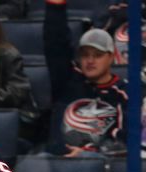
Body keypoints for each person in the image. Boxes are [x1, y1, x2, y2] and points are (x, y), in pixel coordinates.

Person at [43, 0, 127, 157]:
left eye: (97, 55)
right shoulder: (67, 81)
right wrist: (55, 7)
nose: (90, 60)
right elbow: (55, 45)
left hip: (100, 169)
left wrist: (86, 154)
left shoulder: (123, 93)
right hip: (56, 164)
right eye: (85, 55)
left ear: (110, 58)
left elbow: (123, 142)